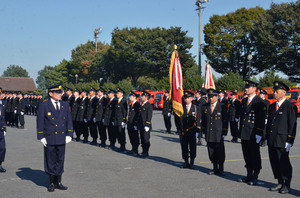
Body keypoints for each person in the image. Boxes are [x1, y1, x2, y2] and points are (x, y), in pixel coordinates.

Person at [37, 84, 73, 192]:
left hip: (61, 137)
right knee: (50, 160)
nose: (60, 94)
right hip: (50, 137)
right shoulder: (44, 105)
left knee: (60, 159)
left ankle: (59, 182)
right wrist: (41, 136)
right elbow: (40, 121)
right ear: (50, 93)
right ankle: (51, 182)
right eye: (57, 92)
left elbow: (68, 121)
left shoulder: (65, 105)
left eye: (60, 92)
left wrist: (69, 134)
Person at [266, 81, 297, 194]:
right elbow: (269, 123)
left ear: (284, 92)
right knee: (274, 161)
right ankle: (279, 181)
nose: (274, 93)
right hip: (272, 138)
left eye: (277, 91)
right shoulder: (272, 106)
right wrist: (266, 137)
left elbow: (292, 124)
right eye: (274, 91)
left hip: (282, 139)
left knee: (283, 162)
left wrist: (290, 140)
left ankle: (286, 184)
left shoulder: (290, 106)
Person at [238, 80, 266, 186]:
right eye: (246, 87)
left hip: (253, 133)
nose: (246, 89)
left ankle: (255, 175)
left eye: (248, 87)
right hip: (245, 132)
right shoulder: (244, 100)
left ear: (254, 89)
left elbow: (261, 119)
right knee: (246, 154)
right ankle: (249, 174)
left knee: (254, 154)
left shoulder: (259, 102)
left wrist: (259, 133)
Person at [202, 89, 228, 175]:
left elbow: (225, 121)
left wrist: (224, 132)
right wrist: (203, 131)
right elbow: (204, 120)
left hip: (218, 133)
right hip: (209, 132)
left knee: (219, 151)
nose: (211, 98)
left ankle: (221, 168)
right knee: (211, 151)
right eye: (209, 97)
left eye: (212, 96)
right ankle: (214, 168)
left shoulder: (222, 106)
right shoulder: (205, 106)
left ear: (217, 97)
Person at [180, 91, 201, 169]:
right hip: (184, 131)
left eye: (188, 98)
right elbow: (179, 120)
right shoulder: (181, 108)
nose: (186, 100)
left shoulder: (196, 108)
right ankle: (186, 161)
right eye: (185, 98)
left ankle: (192, 162)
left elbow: (198, 120)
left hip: (192, 130)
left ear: (192, 98)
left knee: (192, 146)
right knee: (184, 146)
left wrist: (197, 131)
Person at [137, 91, 153, 158]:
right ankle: (143, 151)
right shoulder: (142, 104)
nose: (141, 97)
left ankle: (146, 152)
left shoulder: (149, 105)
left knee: (146, 139)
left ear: (146, 97)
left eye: (143, 96)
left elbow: (149, 116)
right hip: (141, 124)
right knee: (142, 138)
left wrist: (147, 124)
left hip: (146, 125)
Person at [114, 87, 128, 152]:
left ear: (122, 94)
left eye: (118, 93)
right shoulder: (117, 101)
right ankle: (120, 145)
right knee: (117, 133)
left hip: (121, 120)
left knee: (121, 133)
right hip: (116, 120)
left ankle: (123, 146)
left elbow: (125, 112)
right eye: (117, 93)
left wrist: (123, 120)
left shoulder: (124, 101)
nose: (117, 94)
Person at [127, 91, 140, 156]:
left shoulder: (137, 104)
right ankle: (132, 148)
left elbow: (137, 115)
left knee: (135, 137)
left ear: (134, 97)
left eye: (131, 96)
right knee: (131, 136)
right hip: (130, 123)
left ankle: (136, 150)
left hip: (134, 124)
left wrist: (136, 123)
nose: (130, 97)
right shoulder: (131, 104)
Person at [0, 88, 7, 172]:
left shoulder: (1, 104)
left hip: (1, 130)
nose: (2, 95)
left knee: (2, 148)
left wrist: (4, 128)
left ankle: (0, 164)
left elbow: (3, 118)